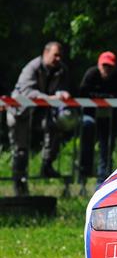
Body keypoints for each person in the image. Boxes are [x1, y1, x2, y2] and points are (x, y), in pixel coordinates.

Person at [7, 41, 71, 196]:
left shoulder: (61, 69)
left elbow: (64, 86)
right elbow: (27, 92)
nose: (58, 58)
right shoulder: (31, 68)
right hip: (20, 111)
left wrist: (63, 93)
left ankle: (47, 164)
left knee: (55, 126)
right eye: (55, 55)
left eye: (60, 55)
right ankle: (19, 185)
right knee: (21, 150)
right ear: (45, 53)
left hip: (42, 111)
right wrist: (50, 97)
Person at [78, 51, 117, 185]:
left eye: (110, 66)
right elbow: (82, 93)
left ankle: (102, 179)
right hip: (90, 115)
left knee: (106, 147)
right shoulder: (91, 74)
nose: (107, 69)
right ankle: (83, 174)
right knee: (86, 136)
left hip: (109, 118)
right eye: (104, 65)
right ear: (99, 65)